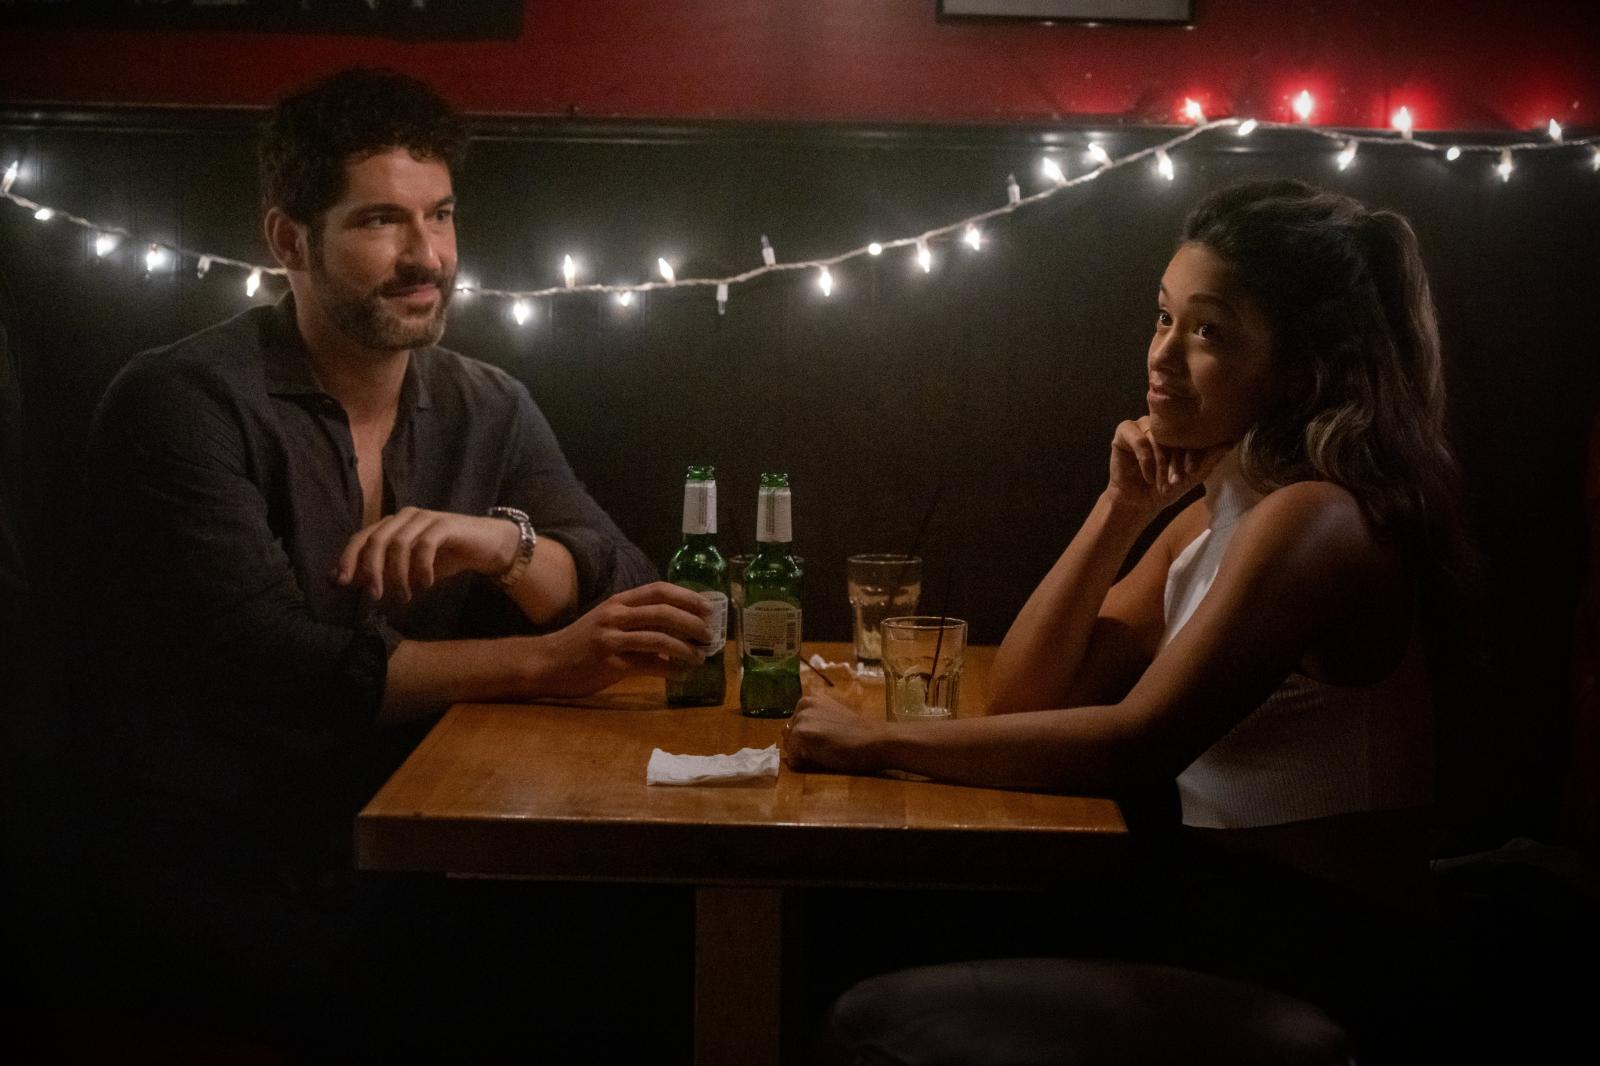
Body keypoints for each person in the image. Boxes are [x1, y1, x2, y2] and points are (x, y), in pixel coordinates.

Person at [76, 68, 707, 1059]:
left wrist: (501, 542)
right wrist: (549, 661)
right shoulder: (183, 403)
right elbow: (278, 665)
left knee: (650, 946)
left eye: (440, 215)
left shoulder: (484, 401)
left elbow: (625, 585)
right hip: (216, 867)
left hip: (412, 849)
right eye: (381, 221)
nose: (428, 258)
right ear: (289, 240)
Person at [784, 178, 1471, 1061]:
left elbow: (1135, 742)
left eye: (1208, 331)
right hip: (1220, 909)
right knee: (858, 935)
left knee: (865, 959)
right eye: (1163, 317)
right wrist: (1120, 508)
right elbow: (1026, 696)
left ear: (1303, 368)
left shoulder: (1316, 522)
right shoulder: (1215, 518)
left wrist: (875, 741)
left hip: (1321, 952)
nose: (1163, 356)